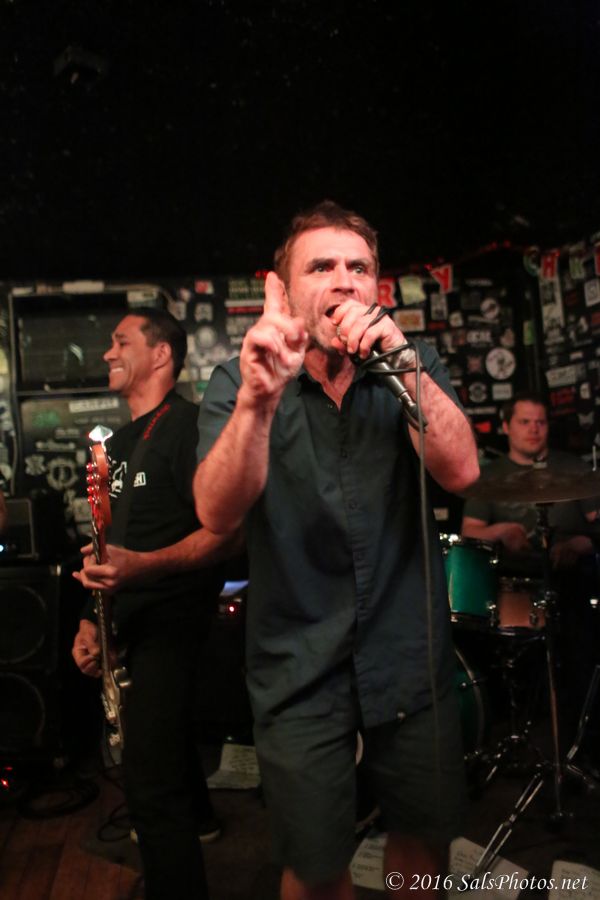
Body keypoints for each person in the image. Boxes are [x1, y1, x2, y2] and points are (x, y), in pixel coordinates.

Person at [194, 201, 480, 900]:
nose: (343, 280)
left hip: (408, 655)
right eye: (321, 266)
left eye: (359, 267)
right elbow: (215, 511)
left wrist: (401, 362)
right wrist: (259, 401)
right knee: (317, 867)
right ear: (284, 289)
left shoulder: (412, 364)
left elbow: (462, 471)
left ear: (377, 287)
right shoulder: (238, 381)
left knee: (422, 849)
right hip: (298, 666)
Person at [72, 308, 236, 900]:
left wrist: (145, 567)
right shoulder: (114, 444)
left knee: (148, 782)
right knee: (156, 755)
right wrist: (90, 622)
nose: (107, 353)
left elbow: (227, 534)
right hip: (128, 622)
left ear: (162, 354)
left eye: (121, 341)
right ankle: (202, 822)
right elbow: (108, 544)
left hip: (175, 620)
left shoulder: (191, 426)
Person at [461, 392, 600, 758]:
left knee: (580, 661)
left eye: (540, 422)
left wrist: (580, 543)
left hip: (571, 582)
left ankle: (581, 749)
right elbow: (470, 532)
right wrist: (502, 530)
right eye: (525, 422)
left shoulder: (572, 468)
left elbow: (596, 526)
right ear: (506, 426)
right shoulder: (489, 476)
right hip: (516, 589)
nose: (534, 429)